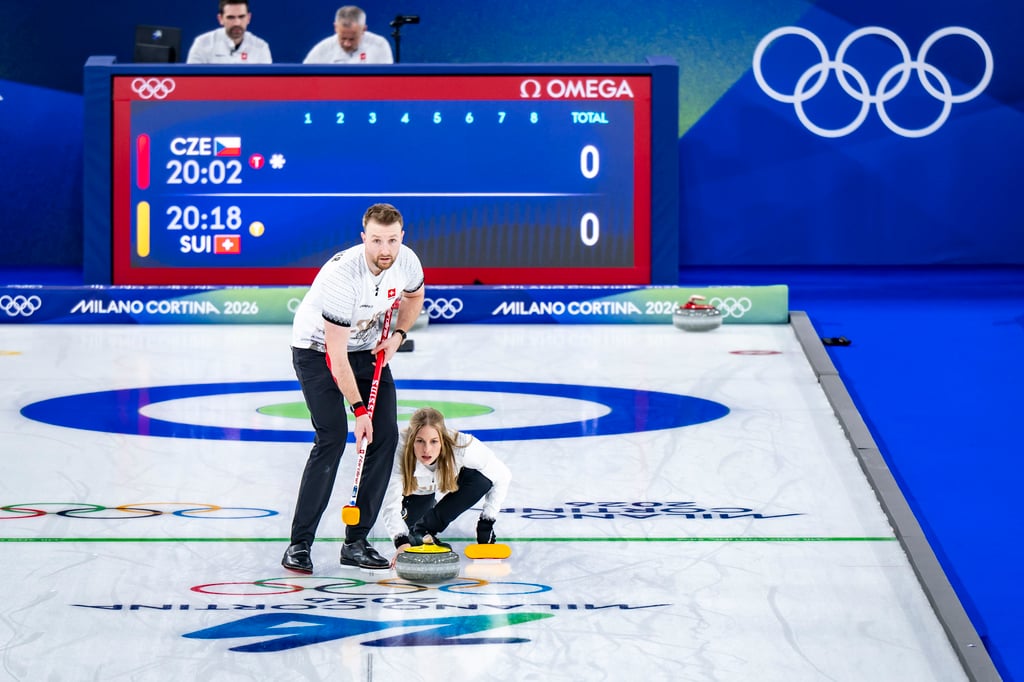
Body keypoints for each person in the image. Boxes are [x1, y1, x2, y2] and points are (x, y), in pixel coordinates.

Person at [282, 203, 425, 573]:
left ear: (401, 238)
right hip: (318, 352)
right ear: (364, 238)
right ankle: (299, 545)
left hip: (368, 349)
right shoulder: (342, 276)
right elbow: (335, 355)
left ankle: (356, 541)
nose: (385, 250)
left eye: (392, 240)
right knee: (332, 437)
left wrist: (398, 335)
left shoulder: (407, 261)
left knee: (385, 437)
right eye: (377, 240)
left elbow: (414, 297)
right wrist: (359, 410)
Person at [381, 407, 511, 558]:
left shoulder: (461, 446)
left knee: (482, 479)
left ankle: (427, 527)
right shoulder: (398, 452)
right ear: (411, 440)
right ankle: (420, 519)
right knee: (414, 541)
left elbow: (502, 474)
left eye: (434, 441)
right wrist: (400, 541)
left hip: (440, 482)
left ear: (443, 439)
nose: (427, 449)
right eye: (420, 441)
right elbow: (390, 504)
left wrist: (487, 521)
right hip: (412, 493)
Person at [186, 0, 272, 64]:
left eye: (241, 17)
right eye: (231, 17)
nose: (237, 23)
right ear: (220, 19)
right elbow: (192, 81)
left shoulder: (261, 47)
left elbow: (265, 84)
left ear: (248, 18)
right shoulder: (202, 43)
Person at [302, 5, 394, 64]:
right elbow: (306, 80)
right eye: (342, 38)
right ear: (335, 27)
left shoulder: (379, 45)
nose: (347, 43)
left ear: (364, 30)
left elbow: (387, 82)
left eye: (352, 39)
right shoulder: (322, 49)